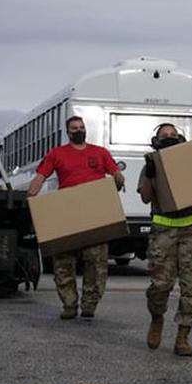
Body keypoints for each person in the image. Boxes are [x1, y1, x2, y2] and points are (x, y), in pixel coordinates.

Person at [28, 116, 125, 320]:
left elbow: (116, 175)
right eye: (74, 128)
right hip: (68, 215)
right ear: (68, 132)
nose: (79, 130)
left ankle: (89, 304)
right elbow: (40, 178)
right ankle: (69, 305)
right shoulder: (57, 154)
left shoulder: (100, 153)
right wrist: (31, 200)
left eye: (81, 127)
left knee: (97, 263)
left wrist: (118, 178)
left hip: (95, 215)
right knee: (63, 263)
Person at [139, 124, 192, 356]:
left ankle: (183, 336)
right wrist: (149, 174)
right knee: (159, 286)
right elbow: (146, 198)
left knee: (191, 287)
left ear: (181, 139)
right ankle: (157, 318)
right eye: (164, 136)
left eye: (173, 135)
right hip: (163, 231)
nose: (169, 138)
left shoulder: (191, 163)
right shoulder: (152, 163)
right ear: (155, 140)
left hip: (191, 231)